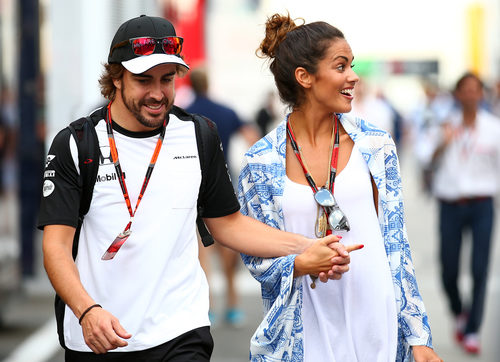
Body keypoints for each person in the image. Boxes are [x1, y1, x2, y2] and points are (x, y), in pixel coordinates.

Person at [37, 15, 360, 361]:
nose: (158, 93)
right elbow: (56, 247)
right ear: (116, 78)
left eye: (167, 79)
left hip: (180, 331)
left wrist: (307, 247)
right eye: (143, 80)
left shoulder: (198, 134)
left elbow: (228, 224)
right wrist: (87, 311)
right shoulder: (77, 143)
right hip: (97, 335)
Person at [237, 13, 442, 361]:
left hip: (377, 322)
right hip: (303, 329)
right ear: (304, 77)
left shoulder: (376, 146)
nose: (354, 76)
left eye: (351, 65)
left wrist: (418, 335)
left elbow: (396, 244)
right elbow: (256, 256)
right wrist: (301, 262)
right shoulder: (260, 161)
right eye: (341, 66)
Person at [419, 72, 500, 355]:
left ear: (481, 94)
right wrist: (444, 142)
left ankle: (473, 329)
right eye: (464, 89)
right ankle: (459, 311)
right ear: (456, 95)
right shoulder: (443, 125)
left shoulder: (493, 127)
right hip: (450, 204)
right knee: (448, 269)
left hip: (482, 205)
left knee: (480, 268)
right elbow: (424, 158)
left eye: (475, 90)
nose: (470, 95)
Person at [185, 66, 260, 326]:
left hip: (193, 185)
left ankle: (209, 307)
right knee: (229, 246)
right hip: (222, 181)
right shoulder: (226, 111)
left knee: (200, 250)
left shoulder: (186, 115)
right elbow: (253, 138)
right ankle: (234, 303)